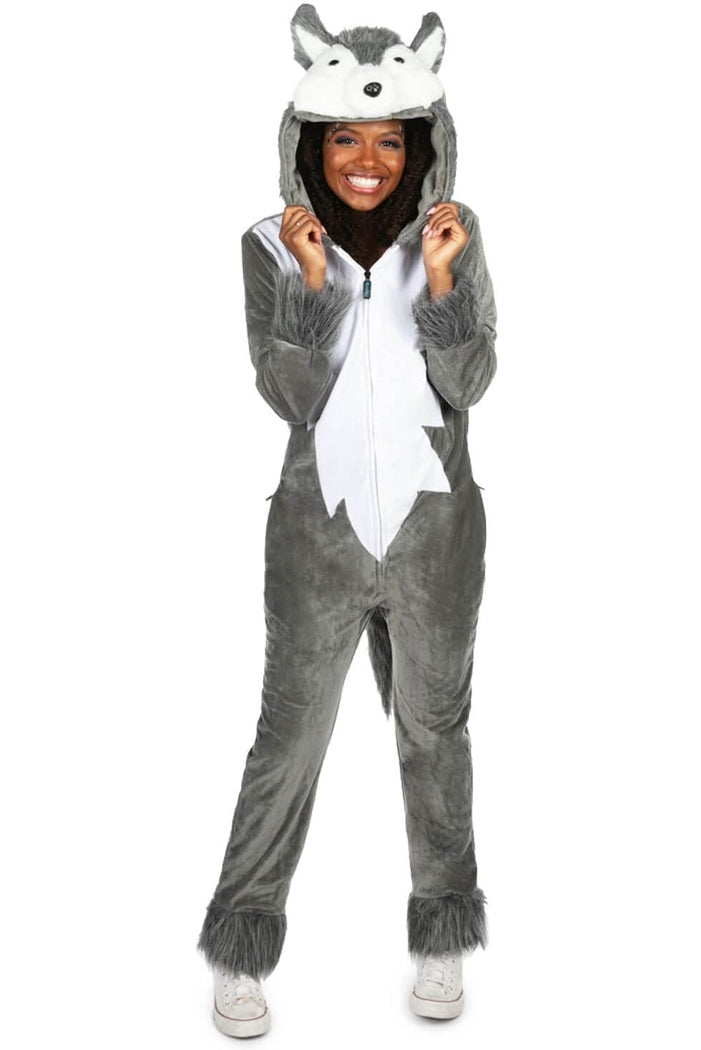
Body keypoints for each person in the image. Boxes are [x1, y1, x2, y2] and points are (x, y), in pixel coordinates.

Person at [197, 5, 497, 1037]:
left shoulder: (455, 234)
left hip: (436, 538)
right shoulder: (268, 246)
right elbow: (291, 397)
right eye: (344, 141)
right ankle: (243, 942)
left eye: (388, 142)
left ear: (420, 142)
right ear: (310, 143)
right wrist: (316, 284)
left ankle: (442, 936)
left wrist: (445, 281)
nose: (367, 162)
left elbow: (471, 382)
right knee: (288, 740)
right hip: (315, 541)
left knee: (434, 734)